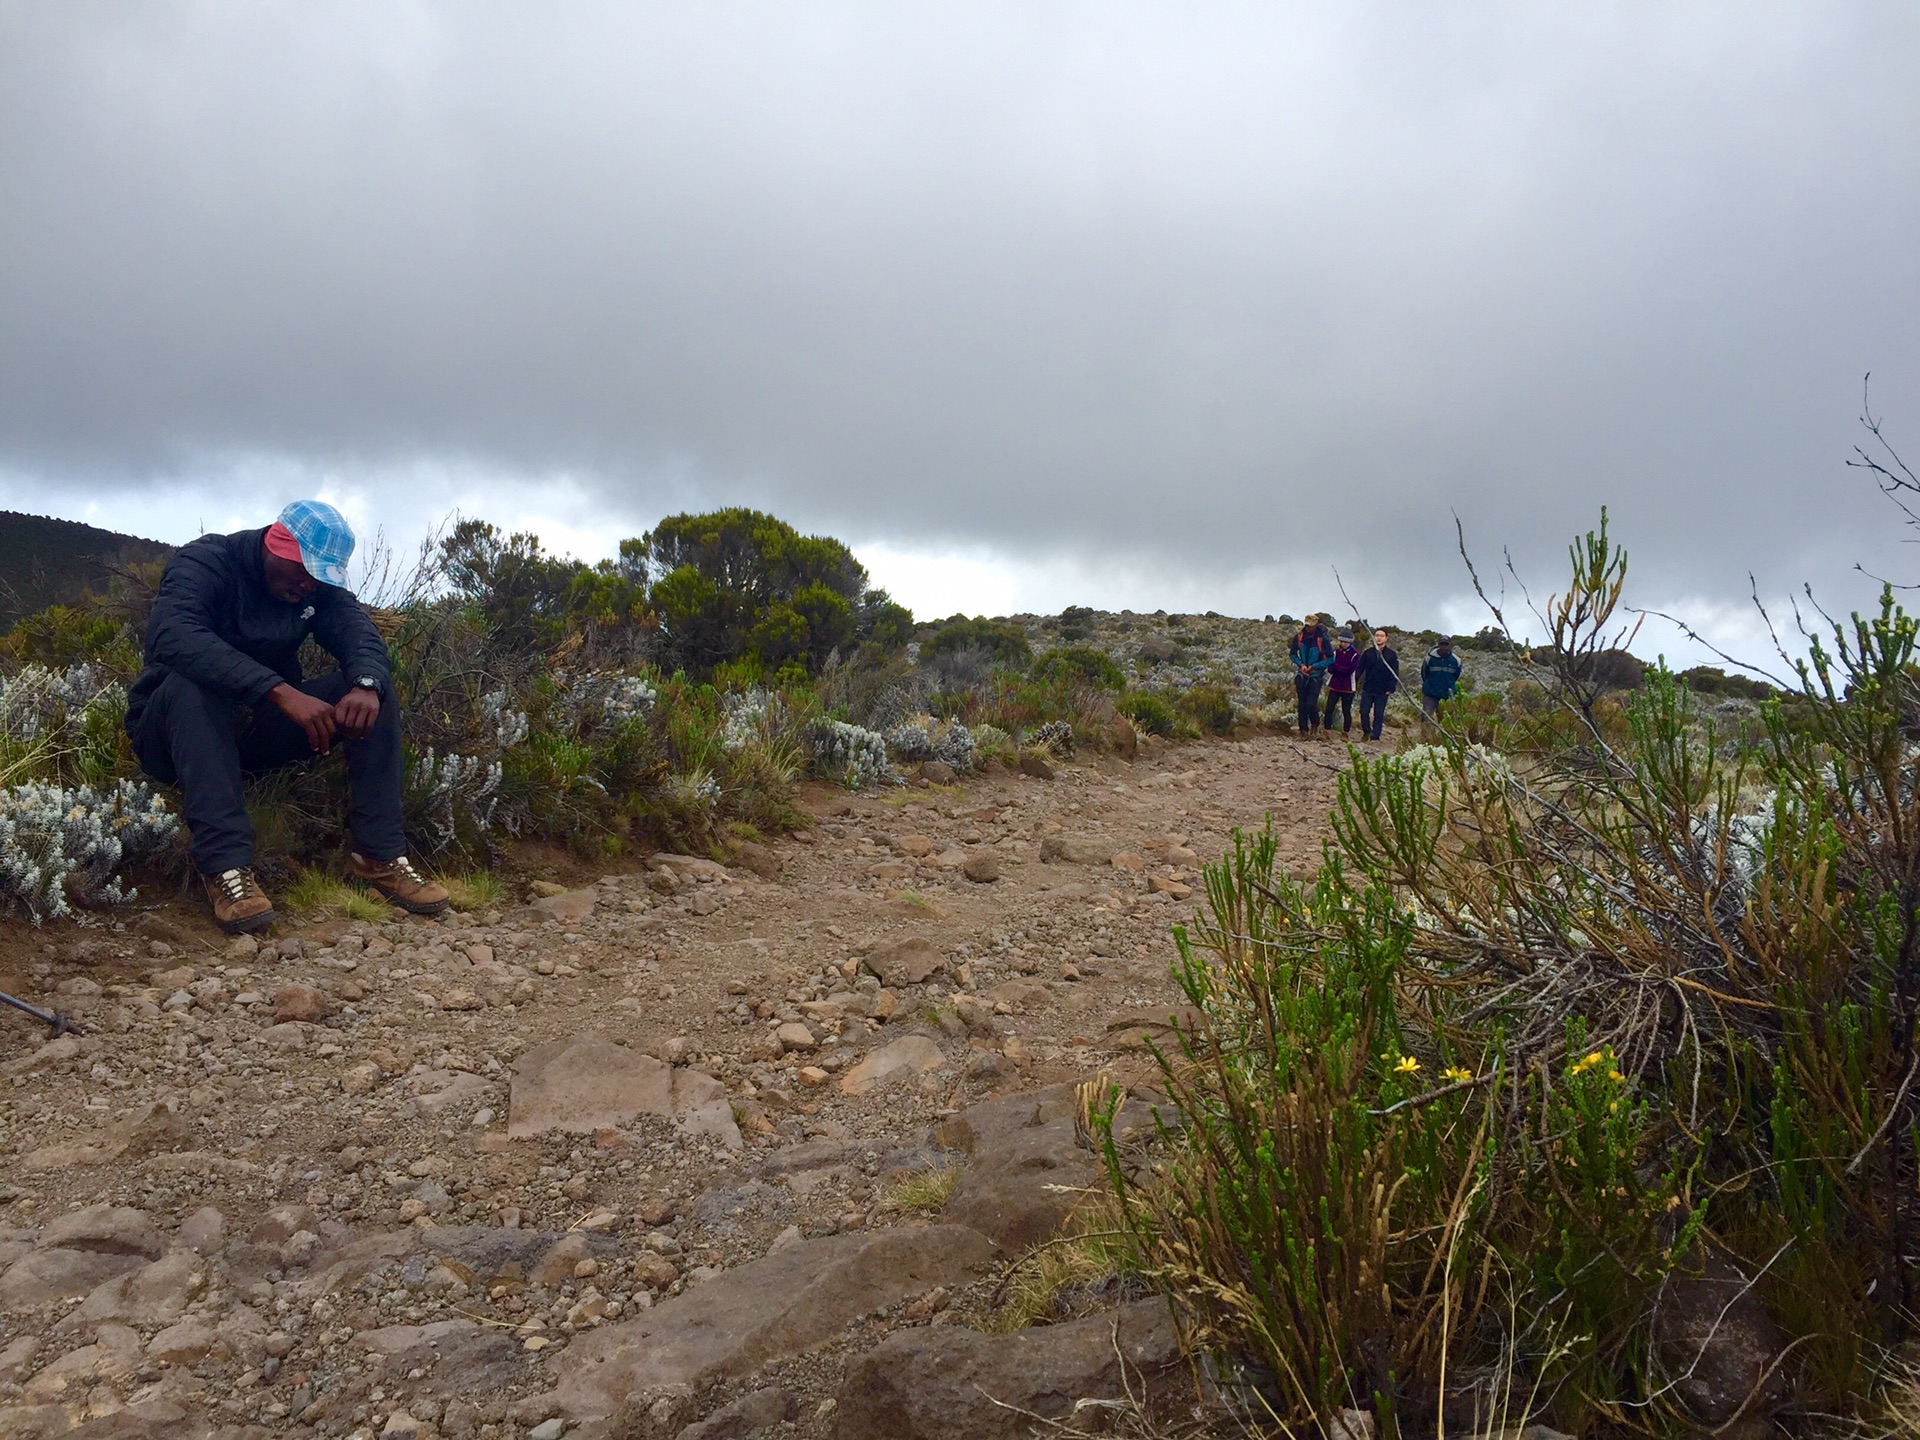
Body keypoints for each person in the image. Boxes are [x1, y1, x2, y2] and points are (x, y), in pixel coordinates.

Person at [126, 500, 450, 934]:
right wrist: (277, 690)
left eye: (319, 575)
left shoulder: (315, 590)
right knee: (191, 684)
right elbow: (173, 634)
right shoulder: (207, 561)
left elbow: (360, 635)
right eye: (302, 570)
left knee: (371, 693)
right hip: (174, 736)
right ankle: (226, 870)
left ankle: (380, 857)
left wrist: (367, 683)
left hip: (255, 736)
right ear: (275, 542)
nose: (307, 583)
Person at [1290, 615, 1333, 738]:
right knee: (1302, 703)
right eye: (1306, 625)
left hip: (1316, 675)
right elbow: (1292, 654)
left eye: (1310, 625)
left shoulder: (1323, 639)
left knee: (1311, 704)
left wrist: (1315, 666)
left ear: (1316, 624)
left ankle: (1315, 723)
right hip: (1302, 674)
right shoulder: (1299, 637)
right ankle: (1303, 729)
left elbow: (1330, 659)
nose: (1308, 628)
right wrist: (1301, 664)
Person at [1356, 627, 1400, 741]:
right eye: (1376, 635)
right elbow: (1360, 669)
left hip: (1383, 690)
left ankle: (1375, 736)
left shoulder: (1391, 655)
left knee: (1378, 714)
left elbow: (1395, 673)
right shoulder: (1368, 653)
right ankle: (1366, 731)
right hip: (1368, 688)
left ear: (1386, 638)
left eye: (1381, 636)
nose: (1379, 638)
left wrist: (1391, 687)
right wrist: (1355, 681)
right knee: (1364, 711)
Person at [1324, 630, 1361, 735]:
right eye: (1341, 641)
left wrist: (1338, 668)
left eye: (1345, 642)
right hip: (1334, 685)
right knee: (1329, 708)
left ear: (1350, 643)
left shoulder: (1355, 655)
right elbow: (1330, 668)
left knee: (1346, 710)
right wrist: (1340, 669)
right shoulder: (1335, 653)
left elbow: (1350, 670)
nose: (1343, 644)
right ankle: (1327, 730)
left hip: (1348, 687)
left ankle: (1346, 732)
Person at [1420, 635, 1463, 721]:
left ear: (1449, 645)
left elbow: (1456, 676)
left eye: (1446, 644)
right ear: (1438, 645)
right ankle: (1425, 734)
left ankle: (1441, 735)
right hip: (1430, 694)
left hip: (1447, 696)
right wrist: (1429, 686)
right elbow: (1424, 673)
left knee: (1445, 721)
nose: (1444, 647)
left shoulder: (1456, 661)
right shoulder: (1429, 658)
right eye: (1442, 644)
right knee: (1426, 718)